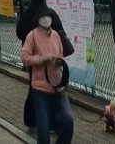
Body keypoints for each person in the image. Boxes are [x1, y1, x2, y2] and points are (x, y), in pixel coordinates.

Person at [21, 14, 74, 144]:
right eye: (43, 16)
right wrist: (41, 59)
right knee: (43, 126)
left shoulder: (56, 35)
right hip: (40, 88)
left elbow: (60, 54)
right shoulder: (32, 36)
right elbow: (25, 57)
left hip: (57, 87)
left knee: (68, 121)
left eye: (48, 16)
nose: (46, 19)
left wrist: (59, 61)